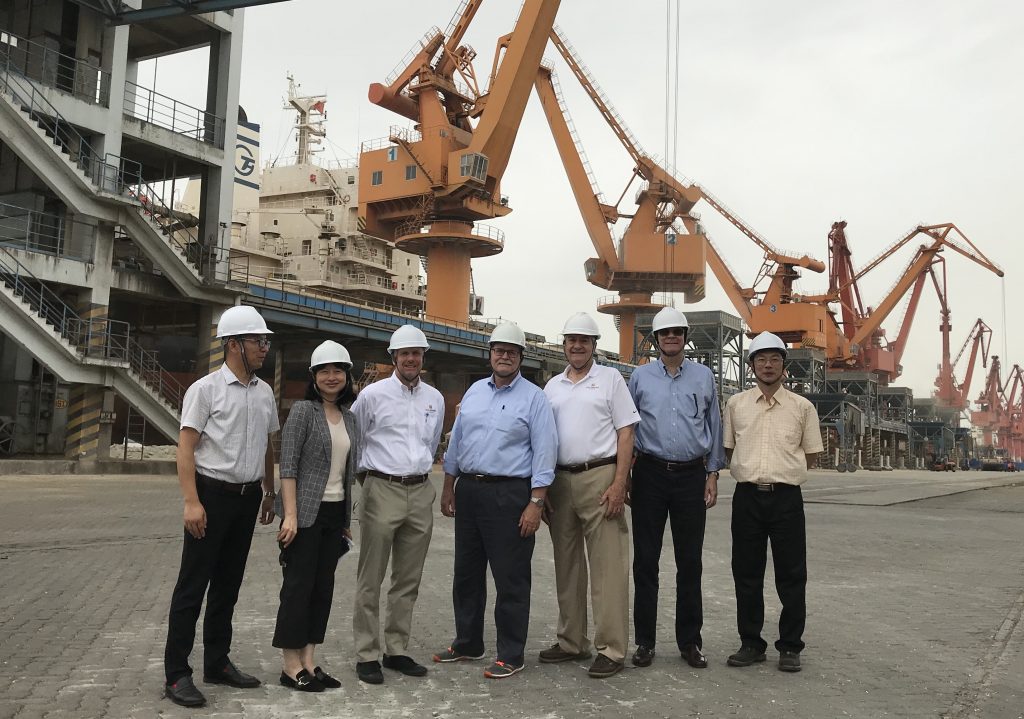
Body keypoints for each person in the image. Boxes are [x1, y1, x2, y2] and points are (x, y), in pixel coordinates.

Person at [164, 305, 279, 708]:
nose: (264, 348)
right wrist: (191, 502)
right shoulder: (205, 390)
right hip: (211, 498)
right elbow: (185, 449)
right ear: (234, 345)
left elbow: (267, 443)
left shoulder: (264, 392)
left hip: (247, 500)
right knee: (192, 587)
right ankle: (177, 674)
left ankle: (217, 661)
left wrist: (269, 489)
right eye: (257, 341)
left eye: (265, 341)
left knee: (228, 587)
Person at [434, 322, 557, 679]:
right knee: (466, 573)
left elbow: (545, 453)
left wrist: (535, 503)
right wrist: (448, 486)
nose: (504, 356)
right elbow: (456, 442)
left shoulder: (535, 398)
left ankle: (511, 653)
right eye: (499, 350)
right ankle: (468, 642)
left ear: (521, 357)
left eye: (512, 351)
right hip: (470, 491)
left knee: (511, 577)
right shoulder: (473, 392)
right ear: (489, 354)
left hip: (510, 494)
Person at [540, 312, 638, 679]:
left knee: (608, 567)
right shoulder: (553, 387)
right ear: (564, 344)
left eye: (584, 340)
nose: (577, 345)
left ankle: (611, 649)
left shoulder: (611, 379)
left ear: (595, 346)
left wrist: (619, 483)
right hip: (560, 481)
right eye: (571, 340)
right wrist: (542, 488)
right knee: (567, 565)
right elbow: (543, 439)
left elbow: (626, 433)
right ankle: (571, 641)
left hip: (600, 477)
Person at [627, 306, 725, 670]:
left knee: (690, 563)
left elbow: (714, 425)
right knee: (645, 562)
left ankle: (690, 642)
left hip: (690, 477)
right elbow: (629, 429)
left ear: (685, 338)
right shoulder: (639, 378)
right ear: (656, 340)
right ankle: (645, 643)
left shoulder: (703, 377)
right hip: (650, 475)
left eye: (677, 333)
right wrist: (625, 478)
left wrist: (712, 473)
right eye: (664, 333)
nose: (671, 338)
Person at [723, 331, 822, 673]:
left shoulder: (802, 408)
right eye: (761, 359)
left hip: (786, 500)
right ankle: (751, 643)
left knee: (792, 575)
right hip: (747, 497)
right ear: (751, 366)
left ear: (784, 366)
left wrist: (782, 473)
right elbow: (728, 449)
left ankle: (790, 646)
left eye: (775, 359)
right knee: (747, 574)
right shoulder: (735, 405)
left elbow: (810, 456)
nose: (768, 365)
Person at [351, 325, 444, 685]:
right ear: (393, 357)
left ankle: (396, 649)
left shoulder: (433, 398)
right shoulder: (371, 396)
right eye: (404, 353)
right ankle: (367, 653)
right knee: (370, 577)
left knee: (408, 578)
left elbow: (431, 443)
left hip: (420, 491)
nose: (411, 359)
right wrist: (371, 484)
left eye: (417, 353)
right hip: (382, 487)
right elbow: (356, 444)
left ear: (423, 357)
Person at [272, 339, 359, 691]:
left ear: (347, 376)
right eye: (324, 370)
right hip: (304, 514)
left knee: (323, 589)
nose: (332, 376)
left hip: (334, 513)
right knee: (298, 588)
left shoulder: (350, 418)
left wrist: (346, 523)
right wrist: (289, 515)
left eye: (338, 370)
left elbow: (347, 471)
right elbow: (288, 465)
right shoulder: (303, 412)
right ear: (313, 376)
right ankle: (290, 666)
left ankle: (310, 659)